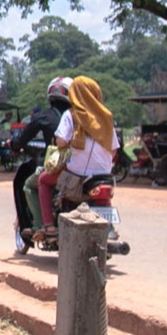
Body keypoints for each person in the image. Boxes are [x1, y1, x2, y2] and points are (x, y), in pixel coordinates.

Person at [37, 75, 116, 228]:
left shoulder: (71, 115)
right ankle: (110, 227)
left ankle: (48, 226)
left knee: (43, 180)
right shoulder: (106, 117)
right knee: (103, 197)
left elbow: (61, 143)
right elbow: (113, 150)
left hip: (77, 176)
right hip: (105, 176)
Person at [13, 77, 70, 253]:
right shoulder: (82, 115)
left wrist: (13, 144)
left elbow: (22, 139)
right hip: (85, 168)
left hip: (60, 167)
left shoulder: (45, 116)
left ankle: (42, 225)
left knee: (31, 184)